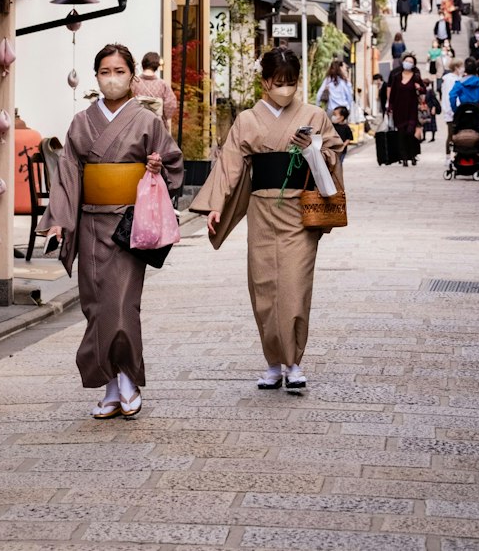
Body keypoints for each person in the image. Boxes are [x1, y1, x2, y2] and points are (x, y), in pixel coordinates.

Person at [38, 44, 183, 420]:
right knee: (95, 305)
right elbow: (69, 174)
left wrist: (156, 166)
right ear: (96, 76)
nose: (111, 78)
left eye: (119, 71)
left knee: (121, 304)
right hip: (89, 221)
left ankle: (128, 380)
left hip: (128, 225)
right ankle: (110, 383)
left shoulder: (146, 120)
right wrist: (59, 218)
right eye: (105, 71)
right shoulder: (82, 122)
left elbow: (173, 161)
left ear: (131, 76)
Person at [191, 48, 344, 391]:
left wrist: (314, 147)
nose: (285, 89)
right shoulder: (247, 119)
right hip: (262, 209)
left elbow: (335, 153)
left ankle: (294, 362)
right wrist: (216, 204)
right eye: (279, 82)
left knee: (294, 286)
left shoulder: (314, 115)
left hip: (300, 212)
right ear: (264, 82)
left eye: (291, 83)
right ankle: (273, 362)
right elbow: (230, 163)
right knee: (264, 288)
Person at [385, 54, 426, 167]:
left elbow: (424, 90)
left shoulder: (416, 77)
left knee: (410, 132)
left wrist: (419, 87)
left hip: (411, 109)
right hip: (399, 109)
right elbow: (392, 94)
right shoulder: (397, 76)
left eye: (410, 61)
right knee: (401, 134)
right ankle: (403, 157)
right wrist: (390, 107)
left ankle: (412, 155)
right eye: (406, 61)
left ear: (413, 65)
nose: (408, 63)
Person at [131, 51, 179, 125]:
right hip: (157, 124)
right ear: (157, 66)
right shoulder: (163, 84)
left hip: (137, 123)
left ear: (143, 64)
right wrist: (164, 115)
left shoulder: (134, 82)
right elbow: (171, 105)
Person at [449, 57, 479, 130]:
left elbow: (452, 96)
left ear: (465, 69)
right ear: (476, 69)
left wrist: (456, 110)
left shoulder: (459, 84)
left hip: (464, 116)